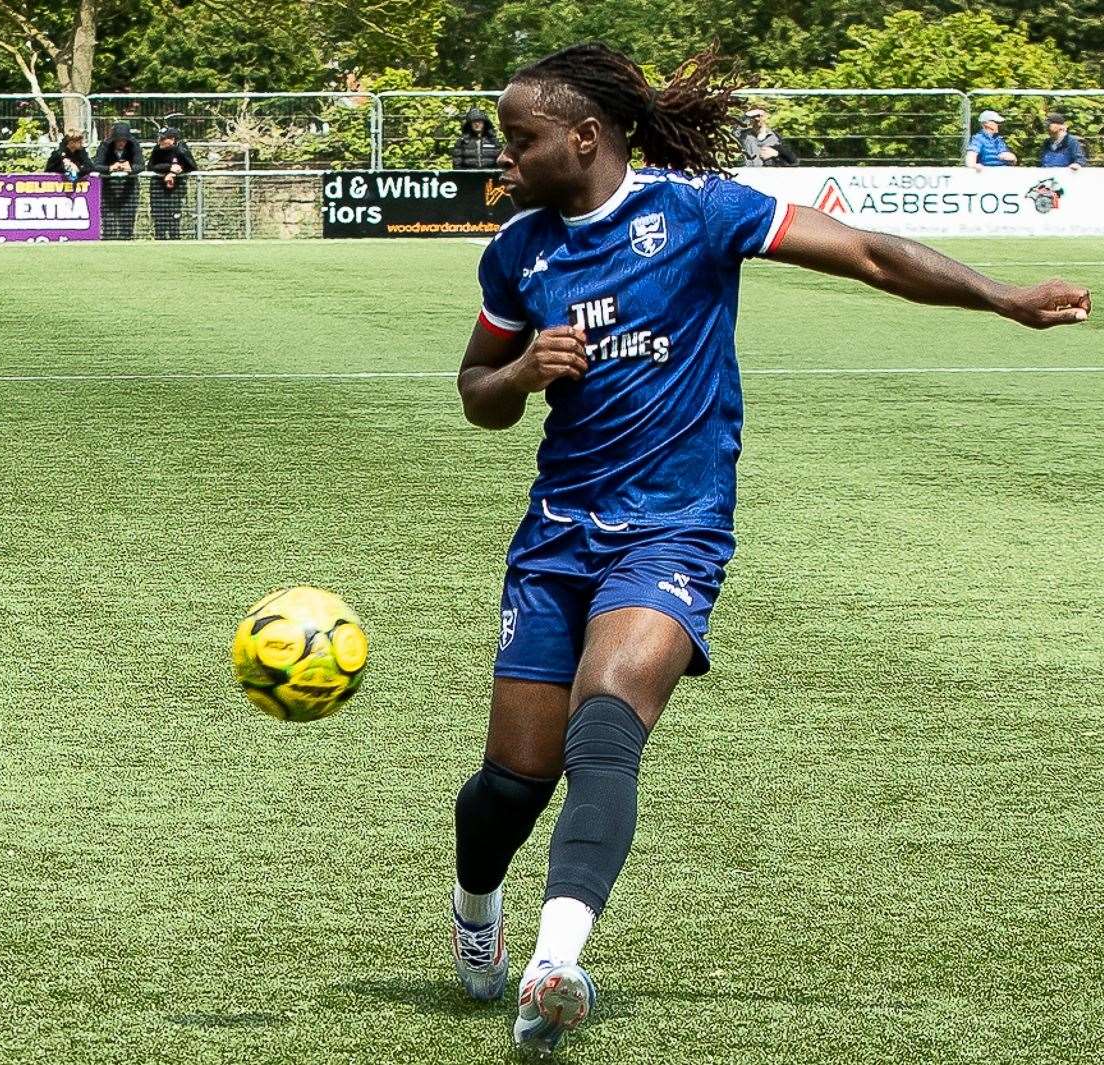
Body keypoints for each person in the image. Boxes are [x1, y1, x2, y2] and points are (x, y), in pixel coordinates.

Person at [449, 42, 1088, 1055]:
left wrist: (998, 297)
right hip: (555, 535)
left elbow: (871, 254)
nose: (502, 156)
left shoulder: (701, 212)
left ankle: (555, 962)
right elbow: (474, 395)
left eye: (517, 138)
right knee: (511, 785)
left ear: (582, 136)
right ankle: (473, 912)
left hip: (673, 526)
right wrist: (522, 373)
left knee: (604, 728)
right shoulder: (516, 252)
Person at [92, 123, 143, 240]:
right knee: (108, 224)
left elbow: (141, 165)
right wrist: (110, 168)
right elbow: (96, 165)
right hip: (108, 190)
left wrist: (130, 168)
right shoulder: (105, 145)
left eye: (124, 140)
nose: (121, 143)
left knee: (127, 223)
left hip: (129, 190)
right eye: (118, 140)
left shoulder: (134, 145)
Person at [146, 127, 197, 240]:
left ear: (172, 139)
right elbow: (151, 166)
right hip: (158, 189)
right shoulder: (157, 149)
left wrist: (177, 171)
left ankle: (175, 239)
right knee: (159, 220)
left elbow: (192, 166)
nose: (160, 141)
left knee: (174, 219)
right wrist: (169, 168)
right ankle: (160, 239)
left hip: (175, 190)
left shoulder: (181, 149)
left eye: (163, 139)